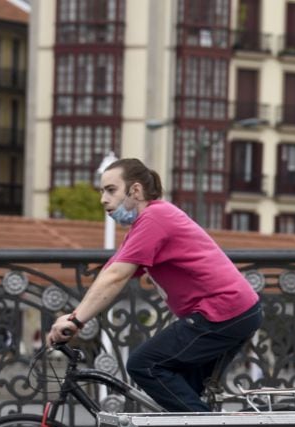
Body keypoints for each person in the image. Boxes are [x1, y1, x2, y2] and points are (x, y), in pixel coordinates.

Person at [46, 158, 261, 412]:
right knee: (181, 399)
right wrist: (73, 317)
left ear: (135, 190)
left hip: (224, 312)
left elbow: (116, 276)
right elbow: (111, 274)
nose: (103, 199)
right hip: (233, 312)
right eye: (101, 191)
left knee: (144, 364)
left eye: (111, 190)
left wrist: (76, 322)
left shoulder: (155, 218)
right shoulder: (146, 223)